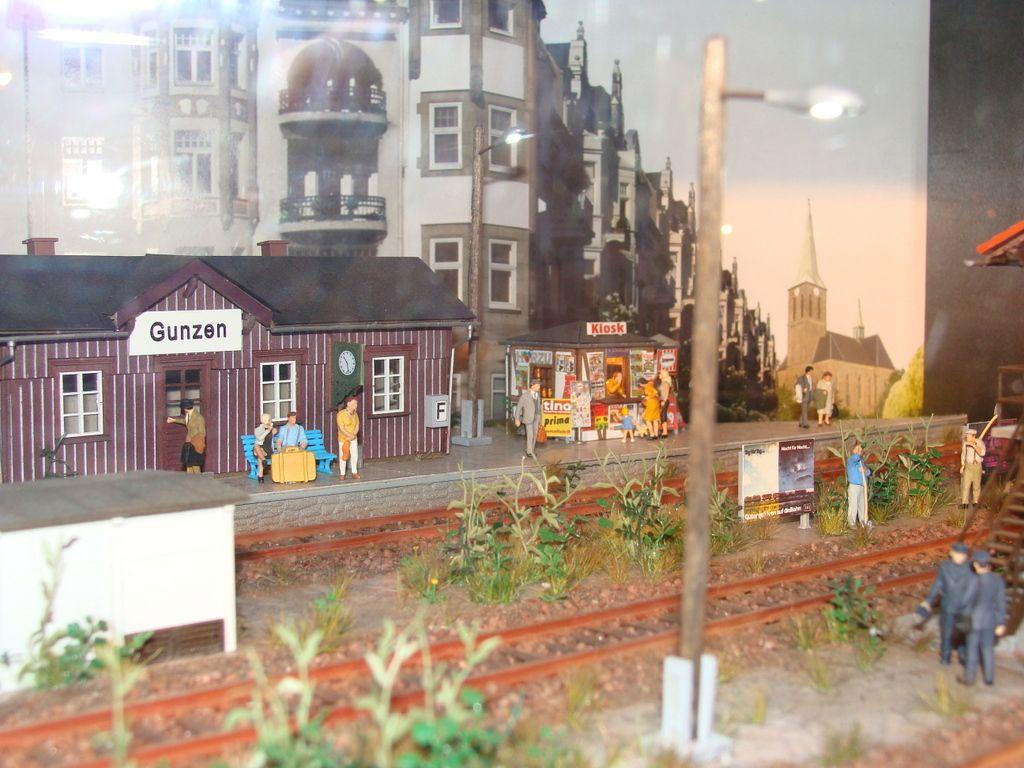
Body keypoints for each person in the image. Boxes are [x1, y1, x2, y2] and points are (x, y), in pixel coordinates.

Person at [919, 542, 974, 666]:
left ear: (966, 556)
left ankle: (963, 655)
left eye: (962, 555)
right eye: (958, 554)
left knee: (963, 631)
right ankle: (945, 657)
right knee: (946, 631)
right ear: (952, 553)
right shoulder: (944, 567)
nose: (960, 557)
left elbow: (972, 588)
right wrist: (928, 600)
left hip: (963, 606)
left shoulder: (969, 569)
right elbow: (938, 584)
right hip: (948, 604)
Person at [960, 549, 1006, 686]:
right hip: (990, 620)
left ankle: (969, 678)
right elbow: (1001, 603)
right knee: (987, 648)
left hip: (974, 620)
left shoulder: (974, 580)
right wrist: (1000, 623)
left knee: (972, 649)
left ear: (976, 564)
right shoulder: (998, 580)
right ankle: (989, 678)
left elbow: (965, 600)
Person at [166, 399, 206, 474]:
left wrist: (198, 444)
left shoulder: (199, 418)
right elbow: (186, 422)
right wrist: (174, 420)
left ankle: (199, 479)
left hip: (195, 443)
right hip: (188, 442)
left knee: (195, 463)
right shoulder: (188, 415)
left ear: (185, 408)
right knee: (189, 462)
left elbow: (202, 433)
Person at [514, 379, 542, 458]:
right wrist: (517, 418)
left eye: (539, 385)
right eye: (537, 385)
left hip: (536, 417)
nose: (539, 387)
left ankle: (531, 449)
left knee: (535, 434)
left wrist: (540, 418)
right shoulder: (525, 396)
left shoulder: (537, 395)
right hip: (528, 417)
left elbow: (539, 407)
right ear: (532, 386)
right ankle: (529, 451)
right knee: (530, 435)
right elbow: (519, 407)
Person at [846, 441, 872, 528]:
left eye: (861, 449)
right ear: (853, 450)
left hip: (862, 486)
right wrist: (858, 452)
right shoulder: (851, 460)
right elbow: (855, 457)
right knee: (853, 505)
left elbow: (869, 472)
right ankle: (851, 523)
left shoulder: (861, 462)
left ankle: (863, 521)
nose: (860, 450)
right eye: (857, 448)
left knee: (862, 505)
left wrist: (865, 470)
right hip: (854, 486)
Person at [960, 428, 986, 508]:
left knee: (976, 485)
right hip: (968, 466)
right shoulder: (965, 444)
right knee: (966, 484)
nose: (967, 437)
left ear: (973, 436)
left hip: (977, 466)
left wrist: (974, 445)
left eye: (969, 435)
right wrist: (963, 466)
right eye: (967, 435)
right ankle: (964, 503)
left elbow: (982, 453)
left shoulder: (980, 443)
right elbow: (963, 455)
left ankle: (976, 501)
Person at [336, 396, 361, 480]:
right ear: (348, 404)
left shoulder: (355, 414)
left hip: (353, 439)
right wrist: (349, 435)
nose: (356, 405)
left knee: (355, 455)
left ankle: (354, 472)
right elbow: (341, 427)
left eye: (356, 403)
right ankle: (342, 473)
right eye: (354, 403)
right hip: (344, 439)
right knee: (343, 456)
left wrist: (353, 435)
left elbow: (357, 425)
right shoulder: (341, 414)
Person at [253, 413, 276, 483]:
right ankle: (263, 461)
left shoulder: (272, 429)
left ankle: (260, 475)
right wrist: (267, 431)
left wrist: (271, 431)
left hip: (268, 451)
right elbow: (260, 438)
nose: (271, 421)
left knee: (260, 457)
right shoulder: (257, 430)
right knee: (257, 446)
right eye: (270, 419)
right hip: (259, 449)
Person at [657, 369, 674, 438]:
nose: (659, 375)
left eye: (660, 374)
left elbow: (666, 392)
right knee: (662, 415)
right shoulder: (663, 382)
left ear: (663, 375)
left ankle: (665, 432)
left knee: (663, 415)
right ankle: (664, 431)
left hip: (664, 400)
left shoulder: (665, 382)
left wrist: (664, 400)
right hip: (662, 400)